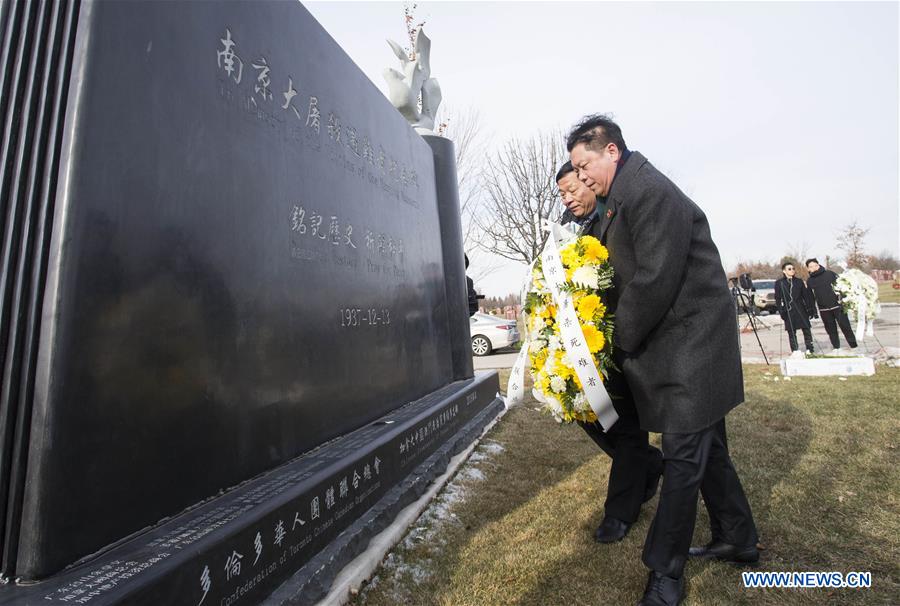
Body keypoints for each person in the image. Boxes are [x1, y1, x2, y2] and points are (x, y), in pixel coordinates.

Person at [567, 115, 758, 606]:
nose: (581, 176)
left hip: (692, 348)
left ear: (611, 150)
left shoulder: (649, 191)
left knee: (683, 460)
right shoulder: (620, 199)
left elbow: (652, 282)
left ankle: (664, 574)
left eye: (584, 164)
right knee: (706, 450)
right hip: (677, 347)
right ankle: (738, 537)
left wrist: (612, 342)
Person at [556, 161, 663, 543]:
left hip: (623, 339)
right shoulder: (572, 230)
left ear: (590, 183)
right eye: (563, 194)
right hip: (586, 344)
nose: (568, 198)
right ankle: (648, 465)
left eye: (573, 188)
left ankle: (620, 511)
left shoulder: (615, 217)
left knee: (627, 427)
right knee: (593, 418)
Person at [805, 258, 858, 352]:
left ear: (818, 265)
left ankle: (854, 346)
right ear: (808, 269)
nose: (813, 268)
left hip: (837, 306)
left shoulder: (830, 274)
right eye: (811, 267)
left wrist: (844, 300)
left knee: (845, 327)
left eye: (815, 265)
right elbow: (810, 297)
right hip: (824, 309)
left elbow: (841, 287)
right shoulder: (810, 281)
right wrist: (813, 310)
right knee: (831, 330)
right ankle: (836, 348)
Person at [774, 262, 816, 356]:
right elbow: (777, 298)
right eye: (789, 269)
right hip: (788, 310)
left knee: (806, 329)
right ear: (784, 271)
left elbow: (805, 295)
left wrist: (809, 308)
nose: (792, 270)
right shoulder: (779, 283)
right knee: (791, 332)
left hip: (800, 308)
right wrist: (781, 311)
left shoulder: (799, 281)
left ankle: (810, 349)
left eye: (793, 268)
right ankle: (795, 350)